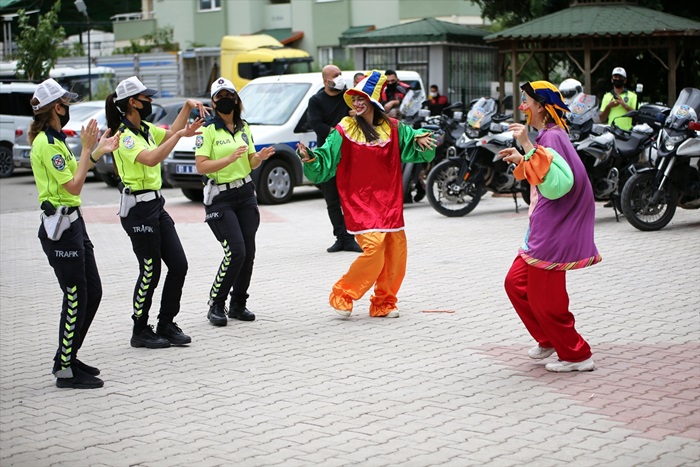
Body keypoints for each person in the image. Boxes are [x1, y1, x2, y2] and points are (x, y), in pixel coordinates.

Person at [296, 70, 436, 318]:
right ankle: (343, 293)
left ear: (373, 102)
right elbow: (326, 157)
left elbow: (415, 144)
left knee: (395, 254)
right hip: (359, 201)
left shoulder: (394, 128)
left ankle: (384, 302)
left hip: (389, 202)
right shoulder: (345, 128)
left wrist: (423, 140)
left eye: (362, 98)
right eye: (355, 99)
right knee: (373, 250)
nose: (357, 103)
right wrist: (310, 158)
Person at [499, 80, 601, 372]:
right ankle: (548, 339)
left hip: (552, 231)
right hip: (541, 227)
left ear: (541, 106)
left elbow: (558, 186)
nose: (522, 106)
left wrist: (527, 145)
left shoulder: (552, 137)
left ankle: (576, 355)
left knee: (547, 300)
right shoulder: (549, 135)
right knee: (515, 284)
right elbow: (545, 175)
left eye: (526, 100)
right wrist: (523, 156)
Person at [29, 78, 120, 388]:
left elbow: (75, 176)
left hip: (74, 224)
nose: (68, 107)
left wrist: (95, 151)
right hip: (62, 230)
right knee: (75, 295)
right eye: (65, 103)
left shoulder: (55, 142)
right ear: (56, 107)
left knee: (91, 292)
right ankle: (65, 369)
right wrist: (87, 151)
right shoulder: (45, 144)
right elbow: (74, 186)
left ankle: (68, 355)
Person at [106, 76, 207, 348]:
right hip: (138, 209)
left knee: (179, 264)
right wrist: (177, 135)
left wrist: (186, 108)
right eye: (146, 98)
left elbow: (171, 131)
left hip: (156, 205)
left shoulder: (146, 129)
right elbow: (151, 158)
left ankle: (166, 323)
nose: (150, 101)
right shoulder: (124, 137)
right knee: (150, 270)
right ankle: (140, 329)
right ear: (132, 102)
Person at [195, 77, 276, 326]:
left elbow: (250, 161)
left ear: (236, 99)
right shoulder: (207, 129)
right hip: (220, 197)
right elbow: (201, 166)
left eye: (229, 95)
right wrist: (229, 159)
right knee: (235, 251)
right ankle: (216, 304)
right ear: (213, 102)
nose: (225, 100)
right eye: (220, 97)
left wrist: (259, 158)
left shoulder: (244, 127)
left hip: (245, 194)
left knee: (248, 252)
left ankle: (238, 304)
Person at [307, 65, 363, 253]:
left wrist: (359, 114)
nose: (340, 78)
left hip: (349, 154)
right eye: (335, 75)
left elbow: (365, 113)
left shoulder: (348, 96)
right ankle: (340, 237)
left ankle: (351, 236)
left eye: (340, 74)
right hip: (328, 155)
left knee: (349, 197)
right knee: (332, 199)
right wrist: (338, 132)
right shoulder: (316, 100)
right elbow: (317, 125)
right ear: (326, 81)